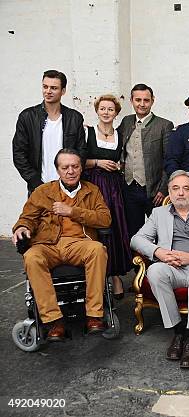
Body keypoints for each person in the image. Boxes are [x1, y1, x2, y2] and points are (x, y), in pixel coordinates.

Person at [130, 170, 189, 369]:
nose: (180, 193)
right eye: (175, 189)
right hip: (171, 267)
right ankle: (178, 332)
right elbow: (136, 239)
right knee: (155, 271)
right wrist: (159, 252)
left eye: (186, 188)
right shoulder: (158, 213)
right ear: (169, 192)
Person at [12, 148, 111, 340]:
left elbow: (105, 219)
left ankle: (94, 316)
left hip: (79, 244)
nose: (70, 171)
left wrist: (73, 211)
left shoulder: (92, 191)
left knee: (98, 250)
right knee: (31, 256)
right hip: (48, 244)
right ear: (58, 170)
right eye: (65, 167)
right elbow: (27, 218)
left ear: (81, 168)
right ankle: (54, 321)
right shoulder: (43, 191)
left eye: (75, 166)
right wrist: (22, 227)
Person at [82, 94, 132, 299]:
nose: (106, 112)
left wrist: (118, 166)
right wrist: (97, 162)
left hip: (113, 187)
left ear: (116, 112)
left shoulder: (120, 135)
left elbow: (124, 159)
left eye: (110, 109)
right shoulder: (88, 132)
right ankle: (97, 277)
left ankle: (115, 276)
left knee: (114, 228)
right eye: (102, 108)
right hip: (93, 184)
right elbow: (79, 160)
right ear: (97, 111)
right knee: (95, 229)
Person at [12, 70, 87, 194]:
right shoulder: (27, 117)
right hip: (38, 187)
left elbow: (81, 152)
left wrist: (71, 177)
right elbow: (19, 153)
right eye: (45, 87)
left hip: (69, 188)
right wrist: (34, 181)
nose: (48, 91)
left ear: (63, 91)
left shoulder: (74, 118)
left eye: (54, 88)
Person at [118, 83, 174, 238]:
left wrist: (163, 189)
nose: (142, 104)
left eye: (146, 100)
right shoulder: (126, 122)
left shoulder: (164, 125)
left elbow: (169, 160)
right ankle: (136, 262)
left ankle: (156, 262)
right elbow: (112, 140)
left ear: (152, 101)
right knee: (133, 232)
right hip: (129, 188)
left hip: (154, 190)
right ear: (131, 101)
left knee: (159, 232)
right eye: (138, 100)